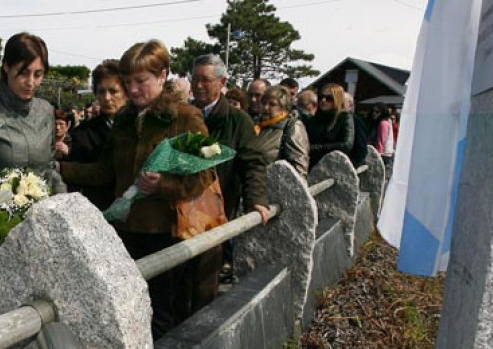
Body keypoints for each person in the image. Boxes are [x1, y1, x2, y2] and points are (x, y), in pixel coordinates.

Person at [58, 40, 213, 338]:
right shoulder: (125, 120)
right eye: (128, 82)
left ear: (162, 75)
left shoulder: (185, 117)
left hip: (164, 235)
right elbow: (105, 171)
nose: (133, 89)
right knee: (125, 310)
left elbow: (205, 174)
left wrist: (163, 185)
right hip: (124, 231)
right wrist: (59, 169)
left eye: (140, 81)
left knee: (159, 315)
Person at [189, 54, 259, 287]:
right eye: (194, 79)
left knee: (206, 278)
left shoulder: (238, 120)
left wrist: (256, 200)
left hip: (217, 209)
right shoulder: (182, 115)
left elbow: (253, 162)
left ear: (222, 82)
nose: (198, 86)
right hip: (181, 208)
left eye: (205, 80)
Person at [0, 32, 66, 193]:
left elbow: (50, 169)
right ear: (6, 67)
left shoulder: (46, 110)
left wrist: (64, 201)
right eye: (23, 73)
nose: (31, 82)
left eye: (38, 74)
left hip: (41, 213)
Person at [67, 59, 126, 210]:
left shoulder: (140, 127)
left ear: (127, 91)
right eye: (101, 91)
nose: (106, 98)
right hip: (99, 212)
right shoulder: (83, 133)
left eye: (113, 91)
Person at [252, 85, 310, 182]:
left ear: (284, 107)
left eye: (272, 104)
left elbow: (299, 167)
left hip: (275, 189)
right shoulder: (257, 126)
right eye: (264, 103)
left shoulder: (292, 126)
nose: (266, 107)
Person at [304, 83, 355, 168]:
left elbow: (346, 144)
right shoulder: (315, 118)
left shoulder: (344, 117)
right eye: (321, 97)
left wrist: (317, 148)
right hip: (311, 163)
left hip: (333, 164)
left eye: (329, 98)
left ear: (337, 99)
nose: (323, 100)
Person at [369, 103, 395, 169]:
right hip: (386, 154)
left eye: (377, 112)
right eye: (373, 111)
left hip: (383, 156)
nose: (374, 113)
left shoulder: (383, 123)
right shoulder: (384, 121)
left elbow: (381, 142)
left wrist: (376, 158)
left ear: (383, 112)